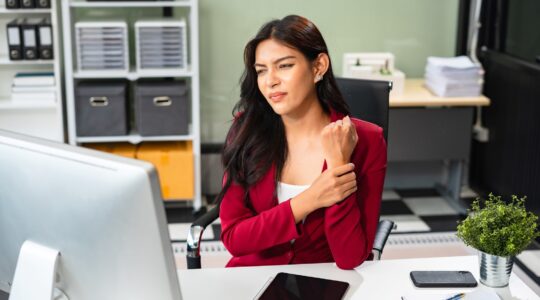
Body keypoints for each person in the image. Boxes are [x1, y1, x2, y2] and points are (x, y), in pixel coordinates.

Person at [217, 15, 387, 270]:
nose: (270, 80)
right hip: (252, 277)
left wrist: (338, 163)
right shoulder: (245, 131)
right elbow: (235, 239)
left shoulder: (368, 140)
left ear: (318, 66)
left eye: (284, 66)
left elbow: (350, 257)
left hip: (324, 282)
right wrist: (309, 200)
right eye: (261, 70)